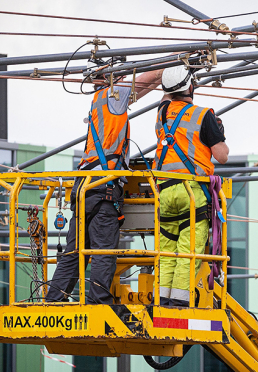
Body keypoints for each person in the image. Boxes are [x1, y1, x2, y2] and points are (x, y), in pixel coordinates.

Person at [46, 68, 163, 304]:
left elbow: (145, 88)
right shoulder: (113, 95)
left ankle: (54, 299)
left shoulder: (100, 101)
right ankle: (99, 303)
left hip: (86, 186)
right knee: (102, 252)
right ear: (115, 78)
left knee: (75, 252)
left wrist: (166, 80)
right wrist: (172, 64)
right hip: (103, 189)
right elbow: (144, 82)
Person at [154, 65, 229, 306]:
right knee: (188, 252)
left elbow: (168, 94)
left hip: (165, 192)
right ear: (191, 87)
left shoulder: (162, 112)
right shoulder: (204, 115)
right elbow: (222, 156)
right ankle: (178, 303)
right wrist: (218, 133)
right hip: (191, 193)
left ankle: (161, 301)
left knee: (166, 252)